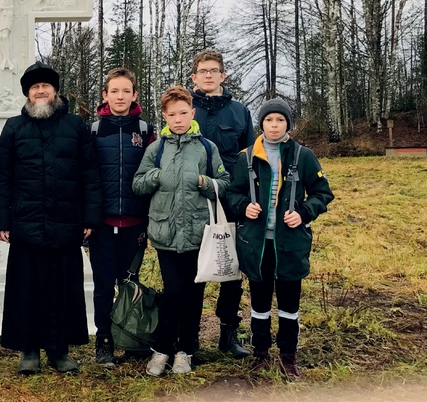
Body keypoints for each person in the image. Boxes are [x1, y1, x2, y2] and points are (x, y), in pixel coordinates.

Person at [0, 61, 101, 374]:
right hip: (26, 223)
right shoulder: (14, 127)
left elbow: (89, 174)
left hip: (65, 221)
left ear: (55, 91)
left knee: (63, 287)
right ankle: (29, 351)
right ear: (28, 93)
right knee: (26, 288)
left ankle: (59, 351)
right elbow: (2, 177)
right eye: (34, 87)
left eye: (46, 86)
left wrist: (89, 218)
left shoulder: (75, 127)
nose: (40, 91)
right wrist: (4, 221)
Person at [226, 98, 334, 379]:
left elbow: (323, 193)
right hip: (257, 245)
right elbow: (233, 193)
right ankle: (260, 353)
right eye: (269, 120)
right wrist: (243, 207)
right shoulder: (246, 157)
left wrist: (304, 213)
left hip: (290, 244)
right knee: (259, 303)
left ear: (288, 124)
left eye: (280, 121)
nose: (274, 126)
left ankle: (288, 356)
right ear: (261, 124)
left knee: (289, 303)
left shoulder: (303, 156)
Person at [132, 86, 229, 377]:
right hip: (165, 234)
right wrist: (157, 176)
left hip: (199, 234)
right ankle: (162, 349)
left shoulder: (207, 148)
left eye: (183, 113)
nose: (178, 119)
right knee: (173, 291)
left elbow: (224, 182)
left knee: (194, 294)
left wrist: (205, 182)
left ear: (192, 113)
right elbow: (138, 184)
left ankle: (186, 350)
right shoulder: (156, 148)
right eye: (172, 114)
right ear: (164, 116)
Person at [189, 49, 256, 358]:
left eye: (214, 70)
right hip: (193, 201)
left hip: (231, 200)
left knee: (232, 268)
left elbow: (251, 159)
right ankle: (189, 337)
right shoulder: (184, 110)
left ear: (223, 76)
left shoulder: (239, 112)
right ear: (194, 77)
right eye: (202, 71)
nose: (208, 75)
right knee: (194, 267)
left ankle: (228, 332)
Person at [88, 68, 154, 368]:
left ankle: (130, 336)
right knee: (103, 287)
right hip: (101, 225)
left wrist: (150, 221)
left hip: (135, 224)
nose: (120, 96)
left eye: (126, 91)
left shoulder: (145, 129)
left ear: (135, 95)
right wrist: (86, 221)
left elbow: (153, 177)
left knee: (129, 285)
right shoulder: (93, 130)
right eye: (114, 91)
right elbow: (85, 177)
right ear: (105, 95)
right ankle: (104, 342)